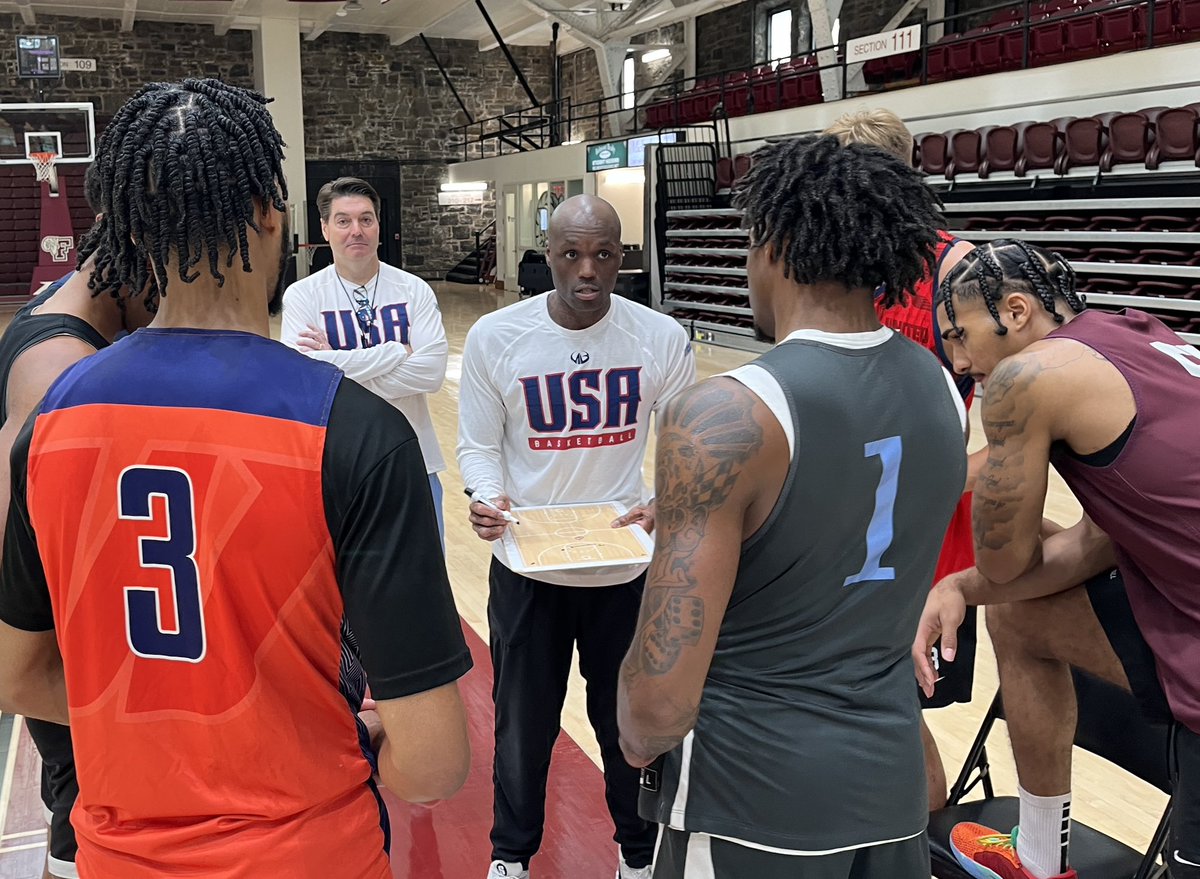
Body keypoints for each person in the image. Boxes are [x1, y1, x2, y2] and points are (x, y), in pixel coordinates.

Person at [0, 78, 472, 879]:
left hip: (121, 856)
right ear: (273, 216)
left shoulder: (47, 423)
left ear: (131, 230)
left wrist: (161, 730)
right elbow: (433, 765)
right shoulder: (357, 430)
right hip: (313, 852)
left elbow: (19, 673)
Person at [618, 134, 968, 879]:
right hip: (889, 790)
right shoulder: (941, 388)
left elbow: (660, 696)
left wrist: (636, 733)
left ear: (773, 243)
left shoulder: (725, 413)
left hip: (750, 799)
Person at [913, 238, 1200, 879]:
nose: (957, 360)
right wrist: (963, 584)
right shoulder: (1138, 334)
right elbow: (1099, 542)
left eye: (960, 335)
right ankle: (1041, 860)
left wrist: (967, 569)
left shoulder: (1026, 377)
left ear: (1015, 311)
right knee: (1019, 616)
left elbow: (1007, 561)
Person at [457, 193, 696, 879]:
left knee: (629, 726)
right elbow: (478, 444)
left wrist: (662, 500)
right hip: (528, 567)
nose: (587, 269)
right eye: (571, 254)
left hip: (624, 571)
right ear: (548, 255)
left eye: (603, 254)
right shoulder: (497, 338)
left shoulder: (660, 337)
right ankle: (511, 856)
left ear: (623, 257)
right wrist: (487, 494)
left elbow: (682, 444)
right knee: (521, 730)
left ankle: (638, 854)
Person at [823, 106, 979, 810]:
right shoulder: (833, 263)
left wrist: (946, 481)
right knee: (856, 694)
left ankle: (918, 840)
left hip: (919, 521)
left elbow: (1016, 419)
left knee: (897, 698)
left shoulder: (957, 265)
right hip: (843, 510)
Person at [0, 238, 154, 879]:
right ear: (137, 262)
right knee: (82, 822)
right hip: (62, 646)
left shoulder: (52, 314)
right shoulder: (62, 359)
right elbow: (19, 520)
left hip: (62, 641)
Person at [281, 176, 450, 538]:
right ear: (325, 229)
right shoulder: (303, 296)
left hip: (414, 460)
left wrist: (335, 361)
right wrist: (395, 352)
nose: (356, 230)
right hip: (337, 464)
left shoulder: (413, 290)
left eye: (366, 219)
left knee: (424, 581)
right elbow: (303, 376)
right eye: (343, 221)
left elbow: (432, 372)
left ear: (377, 225)